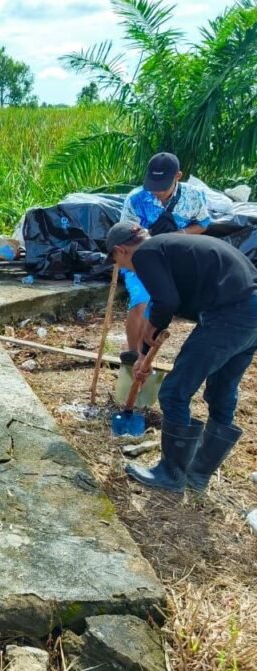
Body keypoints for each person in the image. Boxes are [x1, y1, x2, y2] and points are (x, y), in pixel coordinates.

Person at [105, 221, 257, 493]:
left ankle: (171, 473)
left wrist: (154, 326)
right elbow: (161, 302)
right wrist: (142, 355)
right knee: (222, 391)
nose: (123, 267)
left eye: (116, 261)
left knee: (174, 391)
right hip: (250, 312)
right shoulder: (170, 247)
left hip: (228, 316)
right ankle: (197, 475)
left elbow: (166, 302)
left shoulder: (146, 253)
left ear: (121, 250)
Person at [119, 153, 211, 353]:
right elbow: (125, 233)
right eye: (153, 185)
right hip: (142, 258)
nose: (157, 191)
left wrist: (179, 235)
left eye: (163, 185)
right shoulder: (136, 198)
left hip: (178, 259)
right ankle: (133, 356)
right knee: (141, 301)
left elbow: (203, 223)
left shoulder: (193, 196)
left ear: (178, 176)